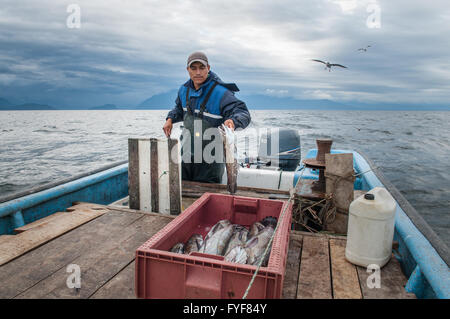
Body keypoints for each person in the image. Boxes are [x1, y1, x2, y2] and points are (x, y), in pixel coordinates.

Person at [163, 51, 251, 183]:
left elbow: (242, 112)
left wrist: (233, 121)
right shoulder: (183, 90)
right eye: (193, 68)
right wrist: (170, 119)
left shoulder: (221, 93)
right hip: (186, 154)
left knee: (208, 194)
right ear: (188, 70)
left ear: (208, 68)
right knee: (181, 189)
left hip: (211, 159)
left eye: (202, 68)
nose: (198, 72)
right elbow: (179, 109)